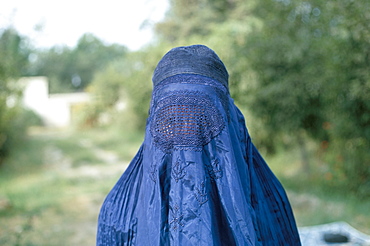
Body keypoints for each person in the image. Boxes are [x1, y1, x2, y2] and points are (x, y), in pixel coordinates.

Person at [97, 45, 302, 245]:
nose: (186, 129)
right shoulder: (117, 214)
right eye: (173, 119)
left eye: (202, 118)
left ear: (229, 116)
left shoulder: (270, 206)